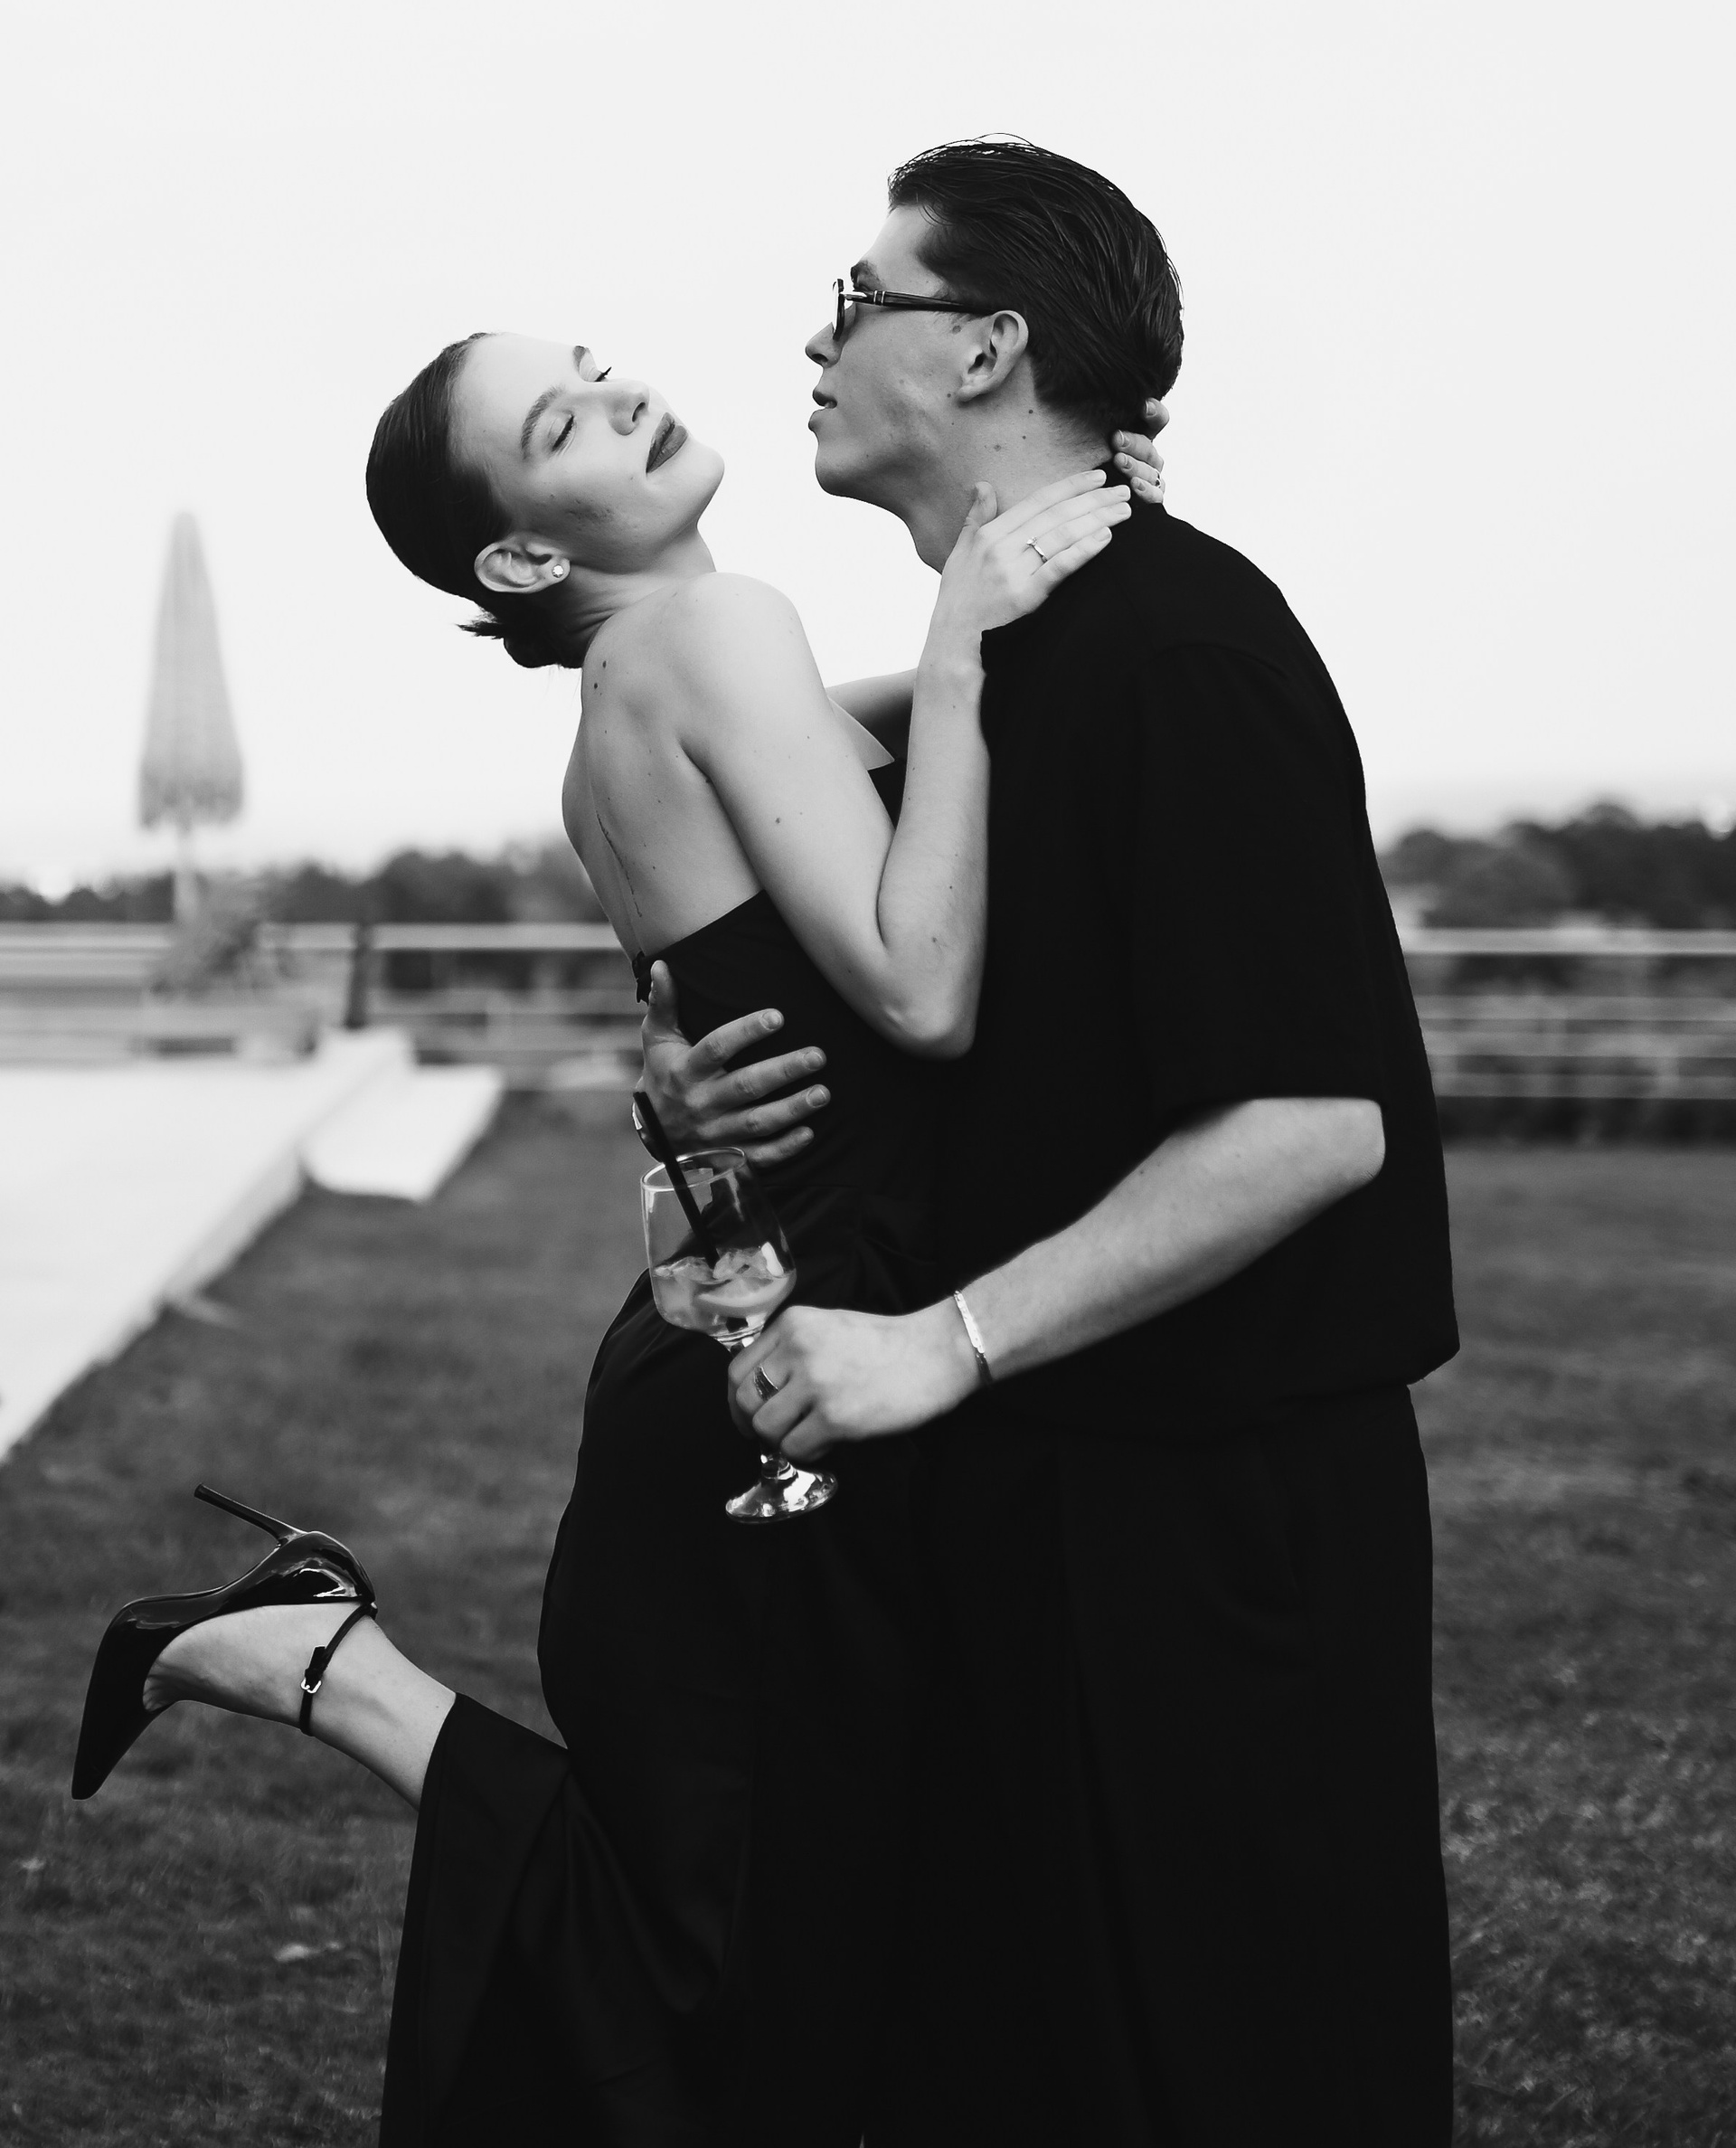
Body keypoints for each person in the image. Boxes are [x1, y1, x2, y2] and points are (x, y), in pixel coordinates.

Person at [71, 318, 1164, 2145]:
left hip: (744, 1361)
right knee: (748, 1956)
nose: (626, 391)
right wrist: (973, 647)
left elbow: (841, 769)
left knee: (767, 1931)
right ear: (518, 553)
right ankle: (327, 1668)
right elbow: (922, 987)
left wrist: (1023, 602)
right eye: (563, 419)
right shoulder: (715, 635)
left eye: (595, 363)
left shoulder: (637, 696)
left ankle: (317, 1652)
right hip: (797, 1388)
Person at [641, 137, 1460, 2146]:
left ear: (988, 347)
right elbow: (879, 1018)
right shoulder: (987, 675)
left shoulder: (1182, 647)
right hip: (1019, 1505)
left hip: (1212, 1532)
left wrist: (947, 1343)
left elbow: (1308, 1125)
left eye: (859, 299)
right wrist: (676, 1102)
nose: (816, 344)